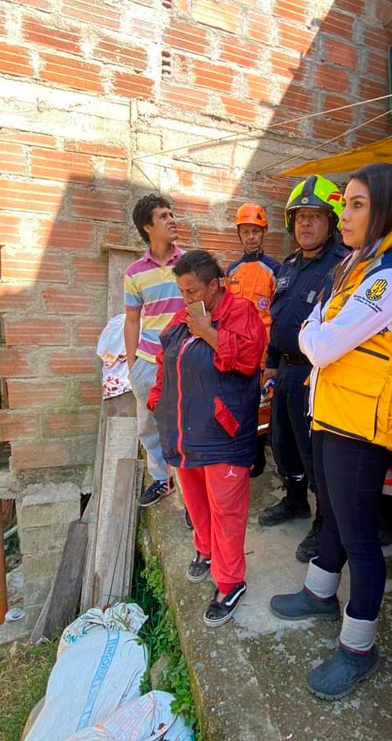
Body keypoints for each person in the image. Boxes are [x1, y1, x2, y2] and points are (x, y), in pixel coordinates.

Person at [269, 163, 392, 700]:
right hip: (334, 413)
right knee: (331, 512)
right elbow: (316, 329)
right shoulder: (355, 269)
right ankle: (319, 593)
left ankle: (359, 646)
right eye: (347, 204)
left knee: (360, 536)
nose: (345, 215)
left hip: (364, 426)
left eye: (357, 205)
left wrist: (314, 330)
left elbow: (320, 341)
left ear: (384, 210)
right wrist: (316, 329)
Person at [147, 250, 266, 627]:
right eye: (181, 292)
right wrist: (159, 400)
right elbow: (166, 358)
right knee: (197, 503)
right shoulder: (184, 317)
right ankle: (205, 551)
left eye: (191, 291)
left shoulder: (241, 312)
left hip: (223, 434)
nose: (185, 299)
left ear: (214, 285)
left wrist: (208, 331)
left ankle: (230, 583)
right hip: (186, 432)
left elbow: (248, 358)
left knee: (226, 512)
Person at [258, 176, 348, 564]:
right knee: (284, 444)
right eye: (300, 217)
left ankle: (324, 522)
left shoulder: (343, 265)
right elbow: (279, 318)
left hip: (317, 374)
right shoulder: (289, 265)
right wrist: (271, 364)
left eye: (315, 217)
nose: (306, 224)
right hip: (286, 373)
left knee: (316, 455)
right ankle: (295, 502)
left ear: (331, 222)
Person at [123, 194, 185, 507]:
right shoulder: (135, 272)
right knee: (148, 425)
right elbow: (132, 320)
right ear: (148, 227)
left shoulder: (189, 263)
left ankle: (192, 493)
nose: (172, 220)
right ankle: (163, 479)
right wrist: (133, 364)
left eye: (171, 214)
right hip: (148, 361)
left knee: (188, 422)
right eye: (163, 216)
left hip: (184, 360)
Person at [226, 202, 281, 477]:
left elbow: (280, 313)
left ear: (264, 233)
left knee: (262, 408)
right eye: (245, 231)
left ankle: (258, 459)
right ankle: (244, 454)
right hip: (237, 354)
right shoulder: (231, 272)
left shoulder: (275, 270)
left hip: (264, 355)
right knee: (239, 407)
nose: (251, 237)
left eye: (255, 231)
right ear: (239, 234)